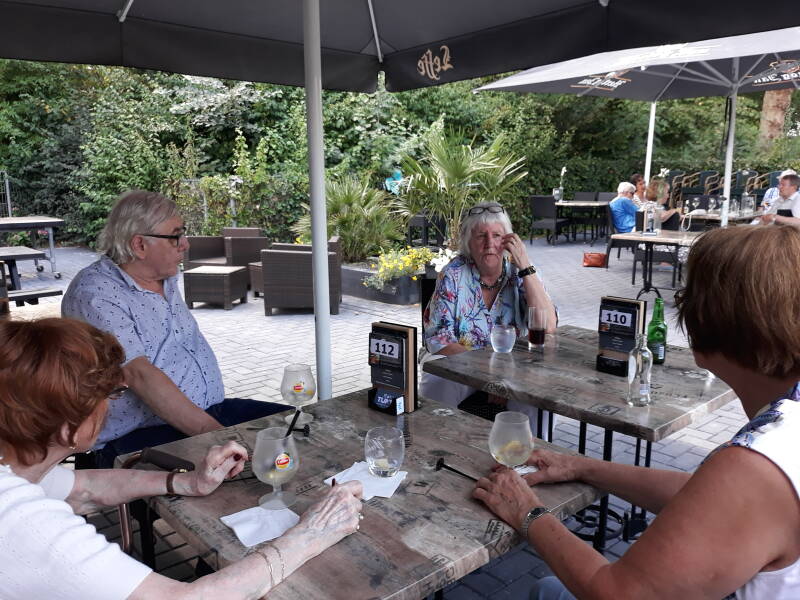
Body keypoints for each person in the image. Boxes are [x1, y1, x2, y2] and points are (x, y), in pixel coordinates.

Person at [473, 225, 800, 599]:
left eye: (689, 296)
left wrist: (527, 512)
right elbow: (709, 497)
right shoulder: (778, 437)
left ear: (716, 320)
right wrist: (581, 467)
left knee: (547, 591)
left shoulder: (757, 467)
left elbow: (618, 592)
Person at [0, 317, 363, 600]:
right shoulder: (24, 522)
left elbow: (84, 489)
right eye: (108, 397)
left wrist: (187, 482)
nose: (110, 406)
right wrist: (311, 534)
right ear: (69, 429)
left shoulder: (18, 468)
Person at [62, 191, 287, 469]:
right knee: (249, 474)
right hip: (138, 436)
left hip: (205, 413)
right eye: (176, 236)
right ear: (139, 245)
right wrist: (218, 436)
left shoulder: (164, 278)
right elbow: (137, 374)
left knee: (297, 427)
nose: (185, 244)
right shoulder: (96, 294)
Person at [420, 201, 558, 430]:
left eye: (497, 235)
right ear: (468, 242)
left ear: (508, 241)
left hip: (516, 369)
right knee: (438, 378)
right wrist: (488, 378)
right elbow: (439, 339)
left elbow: (548, 325)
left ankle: (530, 451)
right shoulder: (453, 274)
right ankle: (435, 440)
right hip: (462, 363)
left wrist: (525, 265)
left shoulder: (522, 272)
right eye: (481, 236)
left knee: (535, 395)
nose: (489, 243)